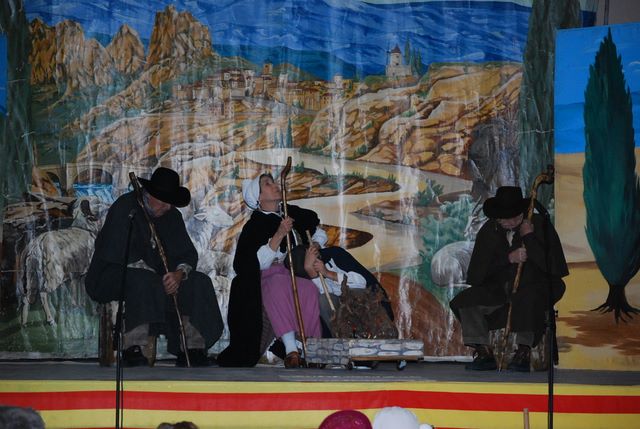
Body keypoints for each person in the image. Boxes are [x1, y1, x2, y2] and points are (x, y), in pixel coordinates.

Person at [85, 167, 224, 367]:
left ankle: (192, 349)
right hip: (113, 273)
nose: (168, 207)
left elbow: (185, 254)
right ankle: (134, 347)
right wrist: (159, 276)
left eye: (170, 202)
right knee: (143, 281)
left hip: (161, 279)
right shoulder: (127, 208)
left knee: (198, 282)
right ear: (149, 195)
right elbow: (115, 251)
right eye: (164, 201)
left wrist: (178, 274)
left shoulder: (171, 216)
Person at [450, 186, 568, 371]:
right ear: (497, 217)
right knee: (465, 301)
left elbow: (554, 266)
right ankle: (483, 351)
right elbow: (478, 274)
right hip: (499, 289)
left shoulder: (538, 224)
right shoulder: (489, 231)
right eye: (506, 218)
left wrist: (529, 237)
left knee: (527, 297)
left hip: (536, 284)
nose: (512, 221)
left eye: (516, 216)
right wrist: (508, 259)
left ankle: (523, 351)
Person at [217, 172, 327, 368]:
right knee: (277, 284)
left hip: (293, 273)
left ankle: (312, 348)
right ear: (259, 197)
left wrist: (315, 245)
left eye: (274, 181)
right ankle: (291, 350)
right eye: (267, 184)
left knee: (308, 289)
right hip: (267, 276)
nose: (274, 185)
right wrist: (279, 234)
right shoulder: (255, 224)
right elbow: (251, 264)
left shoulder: (290, 213)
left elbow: (318, 230)